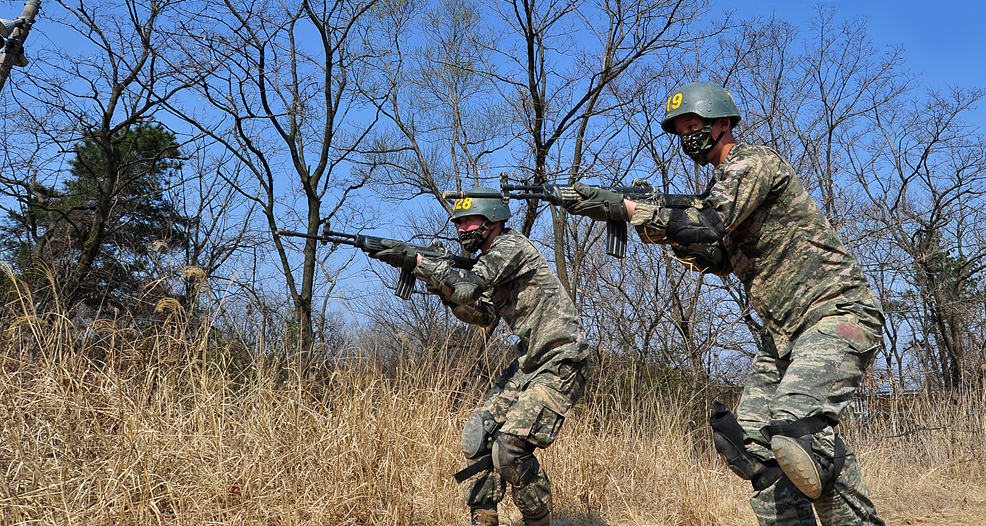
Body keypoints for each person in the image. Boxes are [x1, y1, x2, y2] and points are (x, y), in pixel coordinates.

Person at [563, 82, 886, 526]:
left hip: (834, 312)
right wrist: (634, 218)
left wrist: (631, 209)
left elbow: (709, 222)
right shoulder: (719, 188)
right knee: (748, 445)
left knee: (796, 426)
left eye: (693, 125)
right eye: (680, 131)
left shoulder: (754, 162)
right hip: (784, 335)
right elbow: (714, 254)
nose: (686, 137)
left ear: (721, 123)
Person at [371, 189, 588, 526]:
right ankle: (483, 518)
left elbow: (467, 288)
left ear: (492, 220)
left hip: (561, 360)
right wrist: (433, 279)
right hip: (528, 362)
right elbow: (480, 314)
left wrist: (419, 263)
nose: (461, 229)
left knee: (509, 448)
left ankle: (538, 519)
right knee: (479, 435)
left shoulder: (510, 248)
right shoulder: (487, 260)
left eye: (468, 220)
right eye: (457, 222)